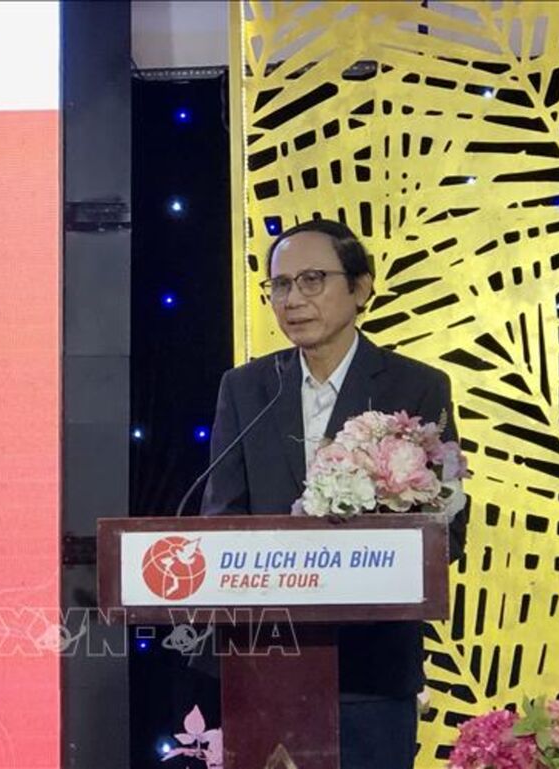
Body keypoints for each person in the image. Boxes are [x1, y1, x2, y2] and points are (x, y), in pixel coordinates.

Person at [200, 218, 467, 769]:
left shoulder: (416, 386)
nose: (293, 299)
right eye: (280, 285)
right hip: (267, 662)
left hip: (373, 671)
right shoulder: (245, 388)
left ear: (361, 287)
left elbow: (448, 529)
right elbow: (221, 520)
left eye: (312, 280)